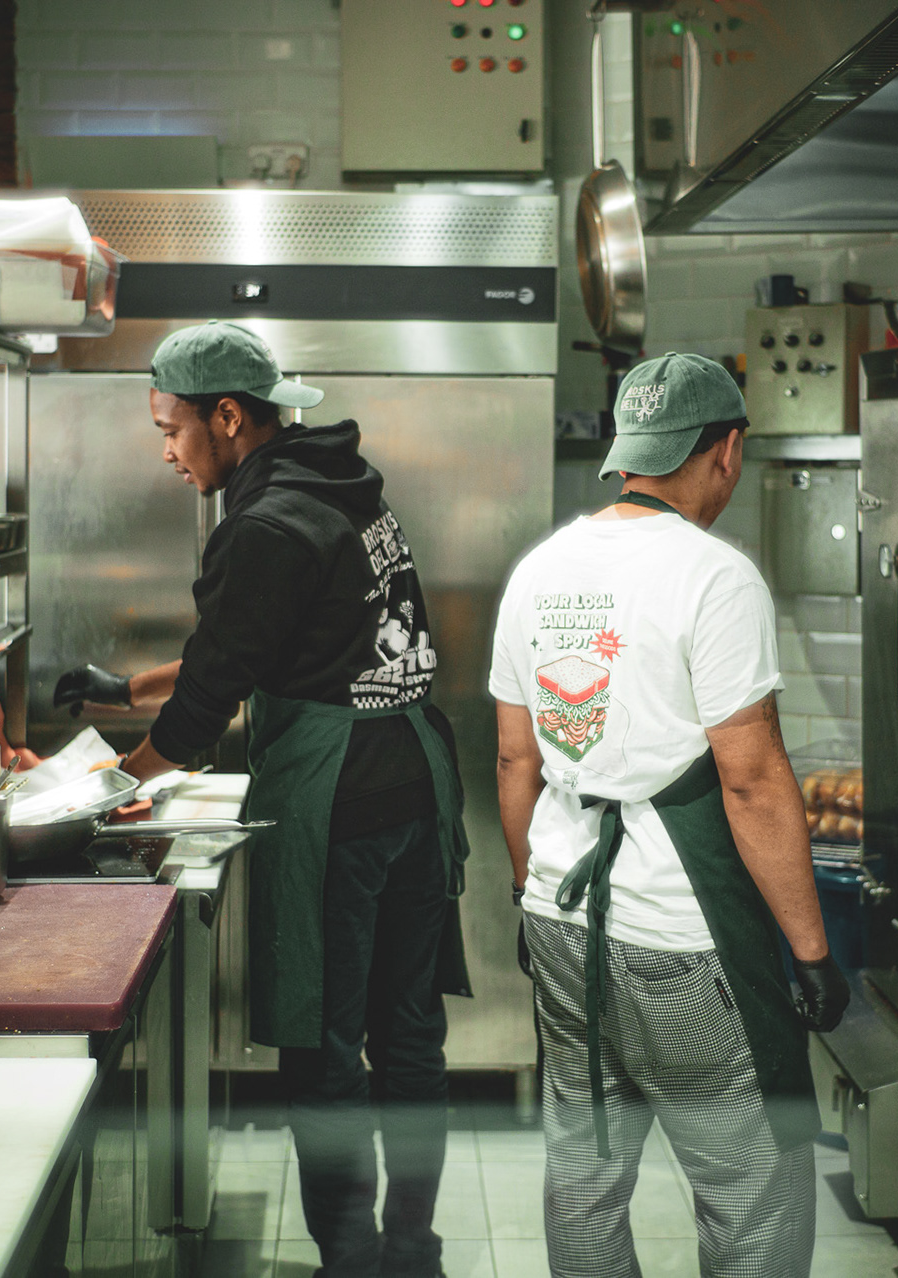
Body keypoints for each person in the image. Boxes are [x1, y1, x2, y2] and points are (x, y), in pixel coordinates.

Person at [53, 321, 470, 1278]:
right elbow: (259, 645)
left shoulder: (265, 524)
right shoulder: (342, 489)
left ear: (229, 417)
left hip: (340, 802)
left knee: (323, 1050)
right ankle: (412, 1255)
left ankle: (352, 1263)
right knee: (410, 1040)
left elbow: (213, 696)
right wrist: (128, 692)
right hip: (415, 783)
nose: (166, 451)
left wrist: (119, 786)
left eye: (171, 428)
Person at [489, 351, 850, 1278]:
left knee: (585, 1180)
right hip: (683, 944)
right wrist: (811, 951)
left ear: (630, 451)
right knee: (751, 1193)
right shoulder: (715, 577)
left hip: (562, 920)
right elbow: (752, 781)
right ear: (727, 450)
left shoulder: (538, 570)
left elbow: (516, 760)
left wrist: (530, 891)